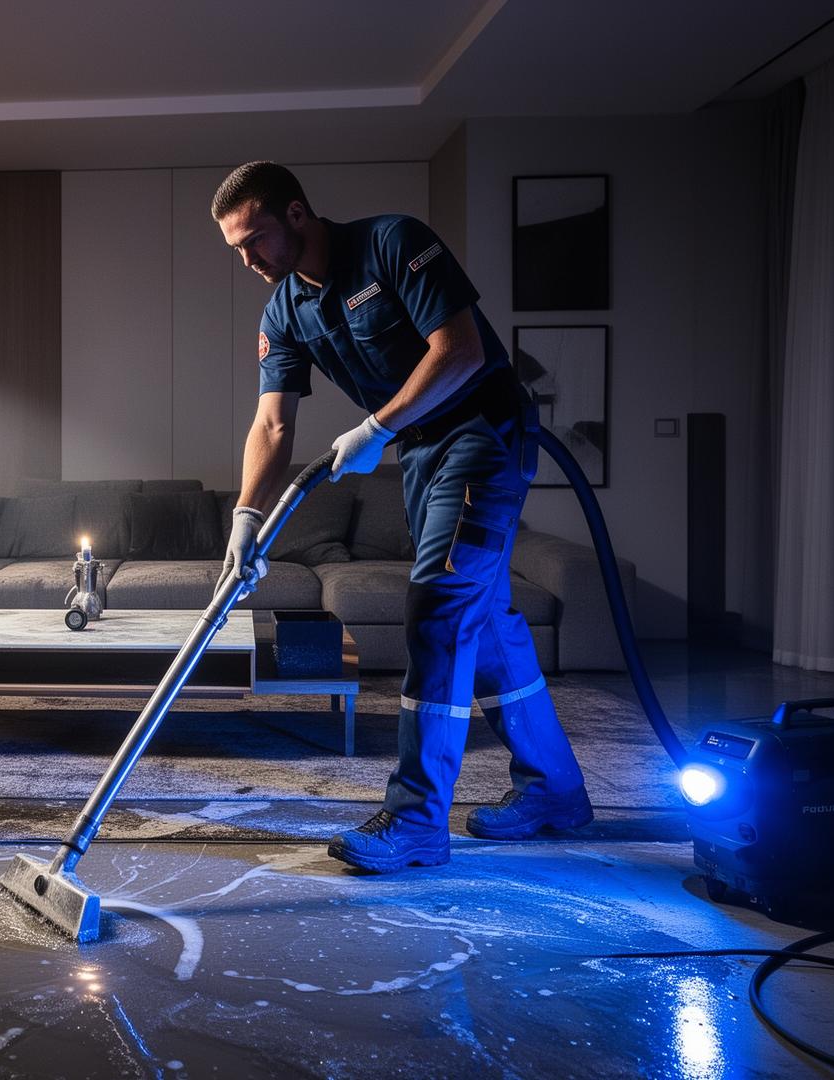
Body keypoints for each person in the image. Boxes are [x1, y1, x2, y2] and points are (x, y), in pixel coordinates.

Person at [211, 161, 592, 872]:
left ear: (296, 215)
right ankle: (556, 792)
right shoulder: (285, 310)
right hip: (420, 452)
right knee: (486, 616)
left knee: (439, 607)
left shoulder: (392, 244)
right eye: (235, 248)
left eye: (255, 239)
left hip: (483, 433)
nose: (248, 260)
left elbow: (463, 349)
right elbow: (272, 425)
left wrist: (375, 428)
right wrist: (245, 516)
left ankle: (416, 819)